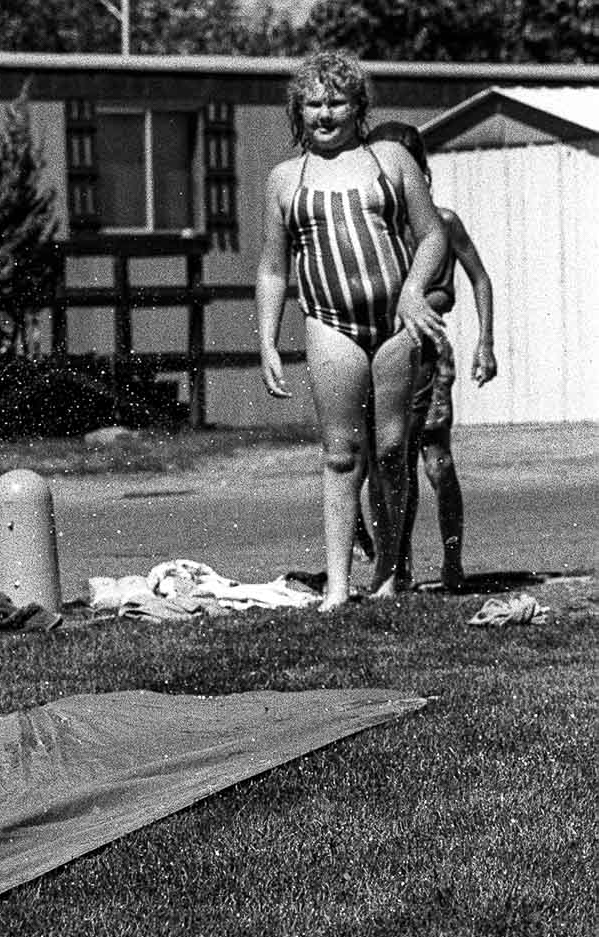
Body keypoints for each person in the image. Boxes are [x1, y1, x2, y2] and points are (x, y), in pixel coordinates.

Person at [256, 50, 447, 610]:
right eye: (313, 103)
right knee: (342, 453)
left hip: (393, 324)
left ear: (358, 105)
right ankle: (338, 585)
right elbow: (273, 267)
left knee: (391, 450)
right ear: (297, 110)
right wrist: (267, 340)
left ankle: (389, 571)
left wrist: (413, 291)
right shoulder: (286, 179)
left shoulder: (389, 160)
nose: (324, 113)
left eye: (336, 101)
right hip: (330, 324)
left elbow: (432, 236)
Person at [365, 120, 499, 591]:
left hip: (428, 351)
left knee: (435, 459)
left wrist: (486, 344)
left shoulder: (441, 222)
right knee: (387, 458)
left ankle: (452, 560)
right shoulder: (377, 227)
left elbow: (479, 278)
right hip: (387, 348)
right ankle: (396, 565)